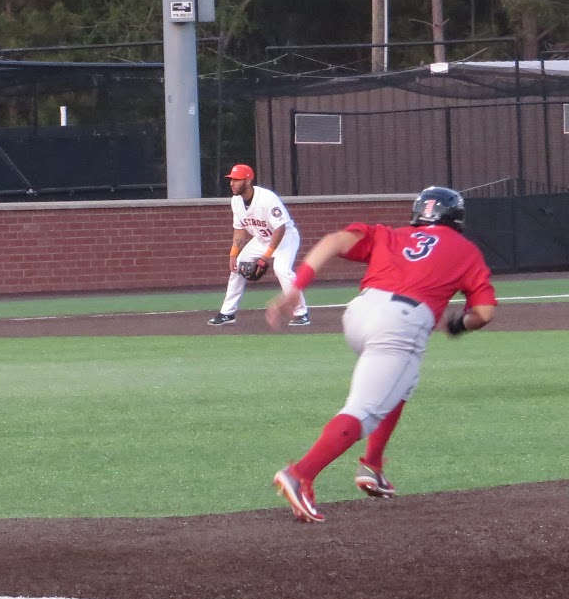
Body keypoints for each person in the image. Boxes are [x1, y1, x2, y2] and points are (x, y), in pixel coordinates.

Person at [264, 186, 496, 523]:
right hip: (401, 323)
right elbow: (484, 313)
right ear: (456, 218)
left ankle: (372, 466)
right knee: (365, 410)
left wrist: (296, 287)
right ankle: (300, 474)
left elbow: (333, 241)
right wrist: (460, 324)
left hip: (359, 313)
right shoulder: (466, 251)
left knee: (403, 382)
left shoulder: (392, 234)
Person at [208, 163, 310, 327]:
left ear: (248, 181)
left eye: (237, 180)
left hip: (285, 238)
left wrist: (265, 257)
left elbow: (280, 228)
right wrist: (233, 254)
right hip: (262, 239)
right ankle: (227, 313)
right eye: (231, 179)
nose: (232, 183)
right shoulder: (236, 201)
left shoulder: (267, 198)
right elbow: (239, 229)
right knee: (237, 266)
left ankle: (301, 313)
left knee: (281, 269)